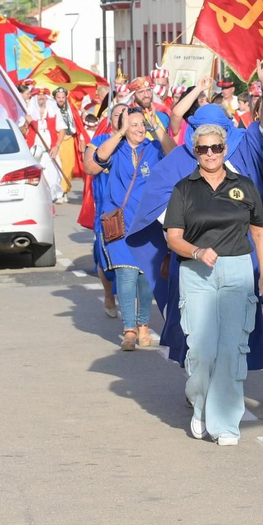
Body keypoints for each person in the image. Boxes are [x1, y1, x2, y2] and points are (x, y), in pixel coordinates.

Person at [163, 122, 263, 445]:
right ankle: (200, 404)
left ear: (224, 150)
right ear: (195, 152)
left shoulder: (244, 185)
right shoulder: (184, 188)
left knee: (230, 351)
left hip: (237, 270)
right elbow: (173, 237)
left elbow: (259, 232)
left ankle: (224, 424)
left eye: (216, 148)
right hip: (196, 272)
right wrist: (196, 251)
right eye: (203, 149)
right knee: (202, 349)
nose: (210, 154)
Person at [93, 107, 168, 350]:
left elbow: (175, 152)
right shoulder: (116, 148)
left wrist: (156, 126)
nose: (138, 129)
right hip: (120, 225)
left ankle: (143, 324)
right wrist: (120, 132)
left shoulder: (153, 148)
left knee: (145, 277)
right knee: (126, 275)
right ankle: (129, 330)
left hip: (148, 224)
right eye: (132, 124)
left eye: (140, 124)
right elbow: (96, 162)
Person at [48, 86, 81, 203]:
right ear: (55, 98)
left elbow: (77, 122)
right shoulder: (51, 109)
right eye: (58, 97)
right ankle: (59, 191)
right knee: (58, 165)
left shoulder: (71, 109)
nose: (61, 99)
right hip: (57, 139)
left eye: (63, 97)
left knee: (69, 166)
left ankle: (65, 190)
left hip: (69, 138)